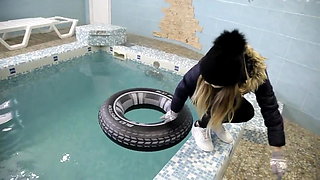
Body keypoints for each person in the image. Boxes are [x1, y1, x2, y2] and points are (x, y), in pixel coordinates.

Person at [161, 30, 287, 177]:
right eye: (207, 79)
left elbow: (270, 107)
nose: (208, 82)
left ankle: (213, 122)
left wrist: (277, 148)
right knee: (205, 92)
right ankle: (200, 127)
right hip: (201, 93)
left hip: (227, 94)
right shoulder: (206, 67)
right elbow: (183, 87)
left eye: (213, 83)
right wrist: (173, 111)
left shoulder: (256, 74)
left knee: (247, 113)